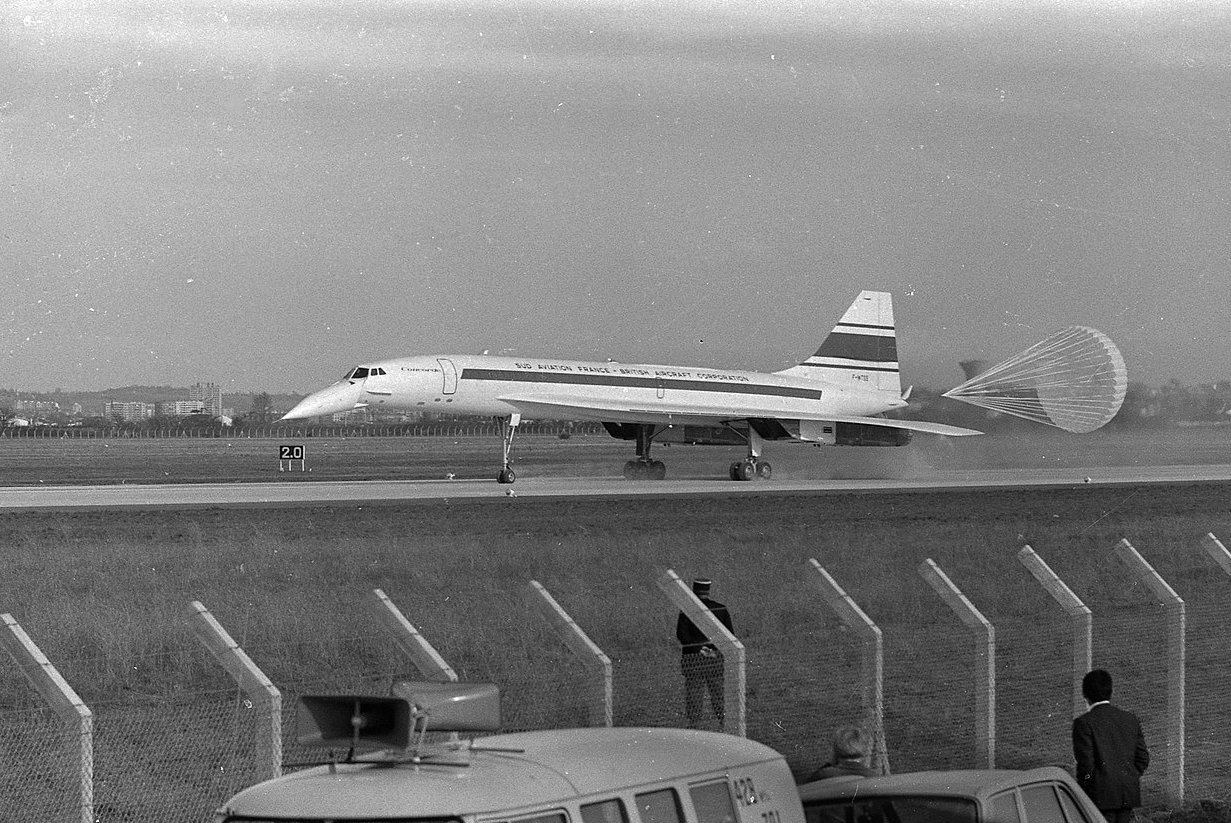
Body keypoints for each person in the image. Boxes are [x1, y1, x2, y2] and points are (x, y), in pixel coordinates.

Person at [1072, 669, 1150, 823]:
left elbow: (1086, 767)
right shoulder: (1130, 719)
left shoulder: (1084, 723)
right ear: (1110, 691)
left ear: (1085, 696)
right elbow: (1143, 758)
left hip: (1099, 797)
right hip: (1126, 794)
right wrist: (1128, 777)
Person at [676, 578, 734, 726]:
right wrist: (714, 650)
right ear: (708, 590)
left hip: (693, 659)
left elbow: (682, 635)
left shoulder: (687, 610)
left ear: (694, 590)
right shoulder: (720, 609)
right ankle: (724, 722)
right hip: (714, 658)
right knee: (718, 694)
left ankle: (694, 724)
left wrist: (699, 649)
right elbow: (729, 635)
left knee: (694, 694)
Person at [806, 726, 876, 781]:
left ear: (835, 749)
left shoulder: (823, 776)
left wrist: (829, 764)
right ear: (865, 750)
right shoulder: (875, 778)